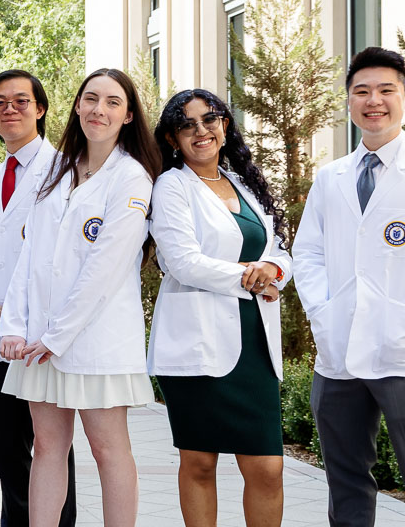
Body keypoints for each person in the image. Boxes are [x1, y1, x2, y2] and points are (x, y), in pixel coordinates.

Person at [292, 47, 405, 527]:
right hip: (338, 353)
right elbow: (307, 253)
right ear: (349, 102)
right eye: (361, 92)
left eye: (385, 91)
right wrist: (323, 313)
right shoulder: (330, 177)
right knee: (346, 481)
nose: (373, 101)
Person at [0, 67, 161, 527]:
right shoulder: (58, 168)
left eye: (113, 102)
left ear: (129, 116)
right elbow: (30, 254)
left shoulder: (132, 178)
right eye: (91, 99)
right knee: (48, 447)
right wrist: (15, 325)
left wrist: (57, 336)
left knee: (109, 451)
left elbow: (104, 268)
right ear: (76, 106)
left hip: (96, 341)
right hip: (41, 341)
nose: (99, 110)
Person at [147, 88, 291, 527]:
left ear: (225, 126)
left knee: (268, 467)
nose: (200, 131)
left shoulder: (245, 184)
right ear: (173, 139)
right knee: (199, 463)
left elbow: (281, 249)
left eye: (209, 120)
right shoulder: (172, 186)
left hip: (256, 345)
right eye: (186, 125)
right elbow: (181, 262)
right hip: (198, 346)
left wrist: (274, 269)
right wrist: (251, 277)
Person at [0, 69, 77, 526]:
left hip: (40, 339)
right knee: (7, 452)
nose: (8, 109)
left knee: (51, 452)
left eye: (20, 101)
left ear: (41, 109)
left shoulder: (65, 172)